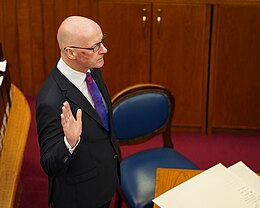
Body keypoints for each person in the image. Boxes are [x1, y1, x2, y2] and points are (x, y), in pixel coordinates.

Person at [36, 16, 120, 208]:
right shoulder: (50, 100)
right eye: (95, 46)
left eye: (102, 41)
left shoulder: (91, 68)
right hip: (80, 197)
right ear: (71, 52)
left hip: (105, 176)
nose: (104, 50)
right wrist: (69, 142)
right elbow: (49, 164)